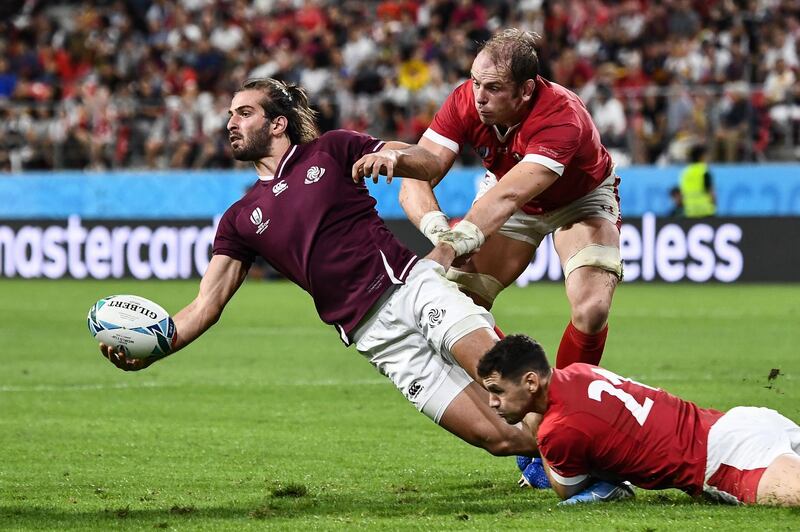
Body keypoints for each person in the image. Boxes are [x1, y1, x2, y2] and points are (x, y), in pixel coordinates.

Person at [98, 77, 537, 460]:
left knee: (515, 386)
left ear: (277, 123)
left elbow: (429, 161)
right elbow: (205, 305)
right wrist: (155, 348)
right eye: (230, 114)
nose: (231, 123)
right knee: (504, 439)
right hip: (377, 339)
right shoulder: (239, 218)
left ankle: (598, 433)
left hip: (413, 289)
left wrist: (397, 159)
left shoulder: (332, 149)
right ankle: (559, 451)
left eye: (244, 112)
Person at [353, 28, 622, 373]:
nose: (479, 96)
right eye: (476, 82)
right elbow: (418, 178)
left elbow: (512, 193)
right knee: (455, 303)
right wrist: (438, 229)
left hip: (580, 200)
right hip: (510, 196)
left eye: (493, 88)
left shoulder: (562, 115)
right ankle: (523, 390)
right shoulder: (465, 99)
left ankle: (569, 407)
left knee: (591, 309)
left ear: (525, 90)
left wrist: (454, 245)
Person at [477, 334, 800, 506]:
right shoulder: (579, 371)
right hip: (741, 422)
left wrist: (537, 444)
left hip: (725, 461)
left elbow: (568, 491)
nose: (493, 403)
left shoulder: (559, 431)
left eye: (497, 391)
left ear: (531, 382)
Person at [679, 143, 716, 218]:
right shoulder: (704, 170)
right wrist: (714, 203)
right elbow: (710, 192)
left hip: (690, 211)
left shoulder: (685, 172)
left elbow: (682, 193)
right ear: (701, 157)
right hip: (705, 210)